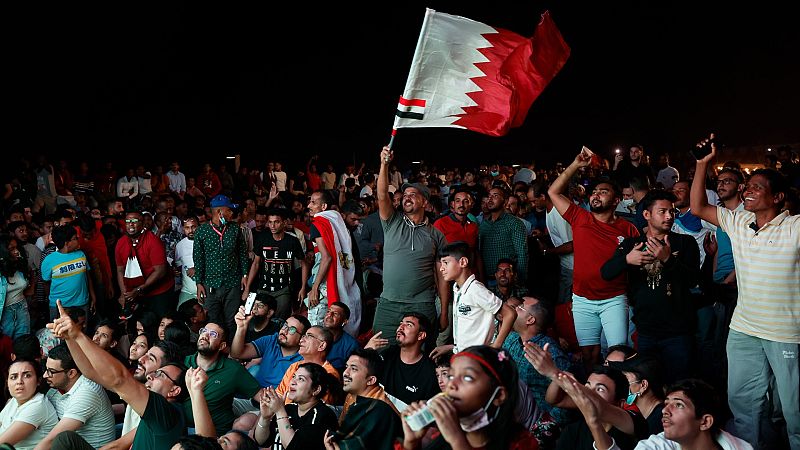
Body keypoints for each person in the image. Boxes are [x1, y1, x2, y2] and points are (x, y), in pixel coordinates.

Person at [690, 136, 799, 449]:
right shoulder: (738, 221)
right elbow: (697, 207)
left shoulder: (794, 228)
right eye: (746, 186)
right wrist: (701, 164)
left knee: (792, 410)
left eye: (756, 187)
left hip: (785, 333)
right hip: (744, 328)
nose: (746, 191)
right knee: (742, 402)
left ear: (778, 197)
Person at [47, 300, 189, 450]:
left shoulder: (168, 413)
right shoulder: (151, 409)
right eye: (145, 354)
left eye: (152, 360)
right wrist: (69, 337)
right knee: (65, 440)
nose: (141, 359)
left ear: (174, 390)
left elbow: (119, 379)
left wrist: (78, 334)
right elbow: (90, 372)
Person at [548, 147, 639, 370]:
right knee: (589, 354)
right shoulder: (580, 217)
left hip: (614, 300)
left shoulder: (628, 229)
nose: (596, 195)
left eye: (603, 192)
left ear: (617, 200)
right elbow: (553, 192)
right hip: (582, 300)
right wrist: (575, 165)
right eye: (594, 192)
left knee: (617, 354)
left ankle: (617, 399)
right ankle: (593, 393)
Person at [600, 190, 700, 383]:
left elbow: (692, 280)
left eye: (672, 212)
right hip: (646, 331)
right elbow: (606, 273)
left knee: (679, 384)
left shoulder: (685, 242)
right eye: (662, 211)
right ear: (646, 215)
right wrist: (627, 260)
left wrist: (668, 259)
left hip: (678, 332)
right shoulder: (632, 244)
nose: (669, 216)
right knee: (648, 385)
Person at [374, 147, 449, 346]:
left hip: (422, 305)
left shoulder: (436, 235)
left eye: (413, 194)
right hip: (388, 304)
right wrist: (384, 164)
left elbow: (442, 276)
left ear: (424, 201)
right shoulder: (392, 222)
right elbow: (382, 195)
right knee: (380, 354)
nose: (406, 197)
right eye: (405, 194)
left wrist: (443, 312)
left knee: (420, 355)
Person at [398, 345, 540, 450]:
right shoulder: (439, 436)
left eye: (467, 377)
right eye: (451, 376)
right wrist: (411, 443)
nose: (451, 384)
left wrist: (457, 441)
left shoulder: (521, 443)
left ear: (498, 395)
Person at [579, 379, 752, 450]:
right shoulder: (657, 445)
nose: (665, 410)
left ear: (705, 422)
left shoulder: (741, 448)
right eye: (666, 403)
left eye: (678, 405)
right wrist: (594, 422)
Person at [430, 241, 516, 357]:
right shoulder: (458, 289)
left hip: (478, 358)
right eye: (441, 263)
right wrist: (453, 348)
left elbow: (510, 313)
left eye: (446, 262)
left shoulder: (476, 290)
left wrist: (496, 346)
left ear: (463, 262)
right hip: (465, 356)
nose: (441, 269)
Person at [183, 322, 260, 435]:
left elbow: (261, 396)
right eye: (204, 331)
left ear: (222, 346)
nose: (205, 335)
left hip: (216, 435)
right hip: (182, 428)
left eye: (213, 334)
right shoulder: (183, 362)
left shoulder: (233, 369)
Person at [38, 343, 116, 449]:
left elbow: (51, 440)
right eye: (46, 369)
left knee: (63, 439)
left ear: (71, 373)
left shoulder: (87, 392)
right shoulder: (55, 388)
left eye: (51, 371)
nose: (45, 375)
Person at [304, 191, 361, 335]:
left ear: (323, 206)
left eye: (313, 203)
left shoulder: (318, 223)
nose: (309, 205)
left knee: (316, 330)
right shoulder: (338, 222)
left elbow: (327, 257)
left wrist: (315, 287)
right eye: (309, 201)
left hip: (325, 283)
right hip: (343, 278)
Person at [193, 194, 249, 341]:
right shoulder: (202, 231)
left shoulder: (235, 229)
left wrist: (244, 275)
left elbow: (242, 254)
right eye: (229, 210)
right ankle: (215, 351)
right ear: (219, 212)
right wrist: (199, 283)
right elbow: (198, 259)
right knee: (213, 321)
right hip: (210, 284)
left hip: (232, 283)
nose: (232, 213)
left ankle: (231, 352)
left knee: (232, 321)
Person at [325, 349, 401, 450]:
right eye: (346, 367)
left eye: (354, 369)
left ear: (371, 380)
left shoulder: (378, 410)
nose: (345, 373)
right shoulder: (352, 395)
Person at [255, 362, 339, 449]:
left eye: (301, 379)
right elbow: (261, 441)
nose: (292, 382)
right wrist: (265, 418)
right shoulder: (289, 409)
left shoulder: (323, 415)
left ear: (316, 389)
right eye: (294, 376)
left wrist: (280, 411)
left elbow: (294, 447)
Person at [244, 208, 308, 320]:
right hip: (264, 286)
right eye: (270, 222)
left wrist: (303, 287)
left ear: (284, 223)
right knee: (258, 317)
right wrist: (247, 288)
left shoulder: (292, 241)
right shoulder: (263, 239)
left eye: (276, 222)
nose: (272, 225)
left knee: (280, 319)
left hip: (284, 288)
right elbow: (256, 264)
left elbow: (304, 264)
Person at [115, 210, 175, 320]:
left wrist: (139, 290)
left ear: (143, 224)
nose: (131, 224)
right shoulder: (121, 242)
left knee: (160, 321)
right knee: (139, 323)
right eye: (128, 221)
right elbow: (120, 270)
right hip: (134, 292)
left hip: (159, 291)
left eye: (134, 221)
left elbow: (160, 271)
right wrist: (124, 293)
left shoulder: (153, 241)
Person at [41, 224, 96, 321]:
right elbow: (46, 283)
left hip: (82, 303)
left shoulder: (81, 254)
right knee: (59, 335)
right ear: (67, 243)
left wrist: (93, 296)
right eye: (75, 238)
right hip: (59, 307)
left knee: (82, 332)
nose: (78, 240)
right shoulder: (49, 260)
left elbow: (88, 277)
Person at [0, 359, 58, 450]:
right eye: (14, 377)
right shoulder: (15, 400)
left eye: (27, 375)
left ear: (38, 381)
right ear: (7, 383)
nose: (19, 381)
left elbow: (2, 443)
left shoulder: (38, 405)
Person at [0, 235, 33, 339]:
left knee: (23, 343)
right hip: (4, 312)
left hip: (22, 308)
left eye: (16, 247)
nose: (16, 251)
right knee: (7, 345)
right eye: (11, 249)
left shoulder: (20, 266)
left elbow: (29, 286)